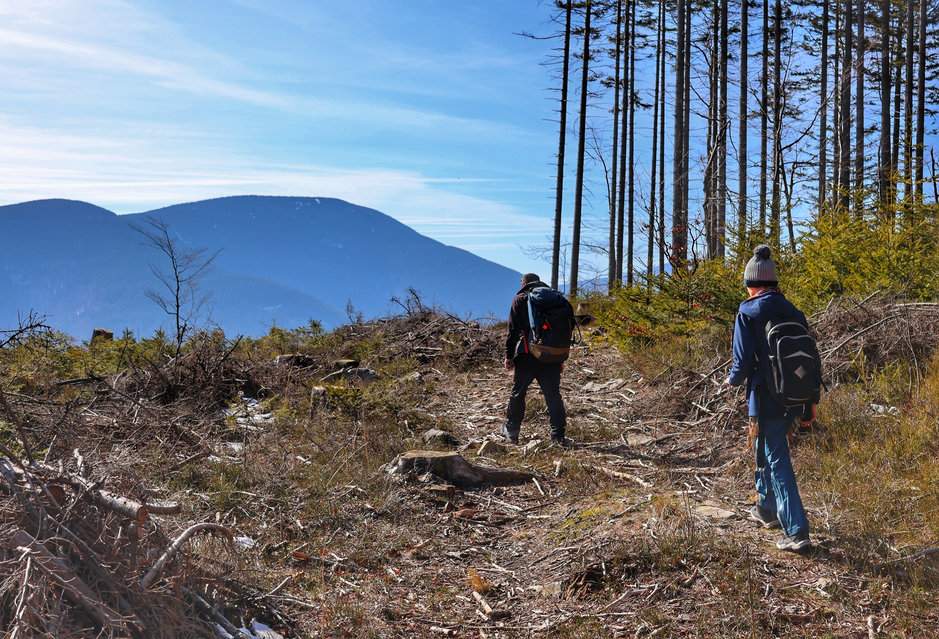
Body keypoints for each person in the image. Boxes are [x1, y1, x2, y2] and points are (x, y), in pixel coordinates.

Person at [727, 245, 817, 552]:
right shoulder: (793, 310)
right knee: (763, 448)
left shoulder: (748, 312)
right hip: (794, 394)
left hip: (765, 396)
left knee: (777, 457)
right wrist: (810, 402)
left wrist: (731, 380)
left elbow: (741, 363)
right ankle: (766, 509)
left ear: (751, 284)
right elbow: (808, 360)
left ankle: (797, 531)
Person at [502, 273, 572, 446]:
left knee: (519, 393)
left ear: (524, 283)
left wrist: (509, 356)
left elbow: (512, 332)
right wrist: (559, 358)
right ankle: (558, 436)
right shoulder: (557, 299)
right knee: (553, 395)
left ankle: (512, 432)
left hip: (528, 355)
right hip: (552, 356)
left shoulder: (520, 299)